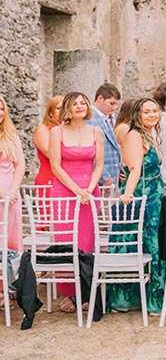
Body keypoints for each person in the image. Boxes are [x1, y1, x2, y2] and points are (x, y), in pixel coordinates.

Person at [108, 97, 166, 314]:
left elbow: (148, 167)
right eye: (147, 112)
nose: (153, 114)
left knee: (152, 243)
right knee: (146, 243)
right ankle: (136, 298)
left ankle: (147, 296)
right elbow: (134, 168)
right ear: (138, 115)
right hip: (143, 196)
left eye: (155, 110)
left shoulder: (148, 135)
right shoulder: (134, 135)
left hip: (155, 193)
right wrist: (127, 194)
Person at [49, 91, 104, 312]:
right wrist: (76, 190)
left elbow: (98, 164)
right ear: (68, 109)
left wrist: (89, 189)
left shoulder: (96, 131)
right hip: (64, 191)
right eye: (75, 103)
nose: (80, 106)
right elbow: (56, 165)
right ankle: (67, 293)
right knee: (66, 240)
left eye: (83, 103)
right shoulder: (57, 131)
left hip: (89, 192)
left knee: (86, 242)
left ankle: (86, 289)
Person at [0, 96, 25, 290]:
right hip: (2, 193)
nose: (0, 113)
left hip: (11, 197)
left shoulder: (10, 135)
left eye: (2, 109)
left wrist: (13, 189)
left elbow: (20, 164)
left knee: (11, 240)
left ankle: (9, 286)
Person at [88, 82, 122, 190]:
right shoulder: (89, 119)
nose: (114, 108)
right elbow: (90, 151)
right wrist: (105, 177)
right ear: (100, 98)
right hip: (100, 181)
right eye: (111, 103)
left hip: (115, 178)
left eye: (116, 104)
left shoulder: (111, 118)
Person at [32, 95, 63, 187]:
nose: (62, 111)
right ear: (50, 113)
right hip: (49, 178)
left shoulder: (72, 131)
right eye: (58, 108)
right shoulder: (43, 130)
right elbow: (50, 153)